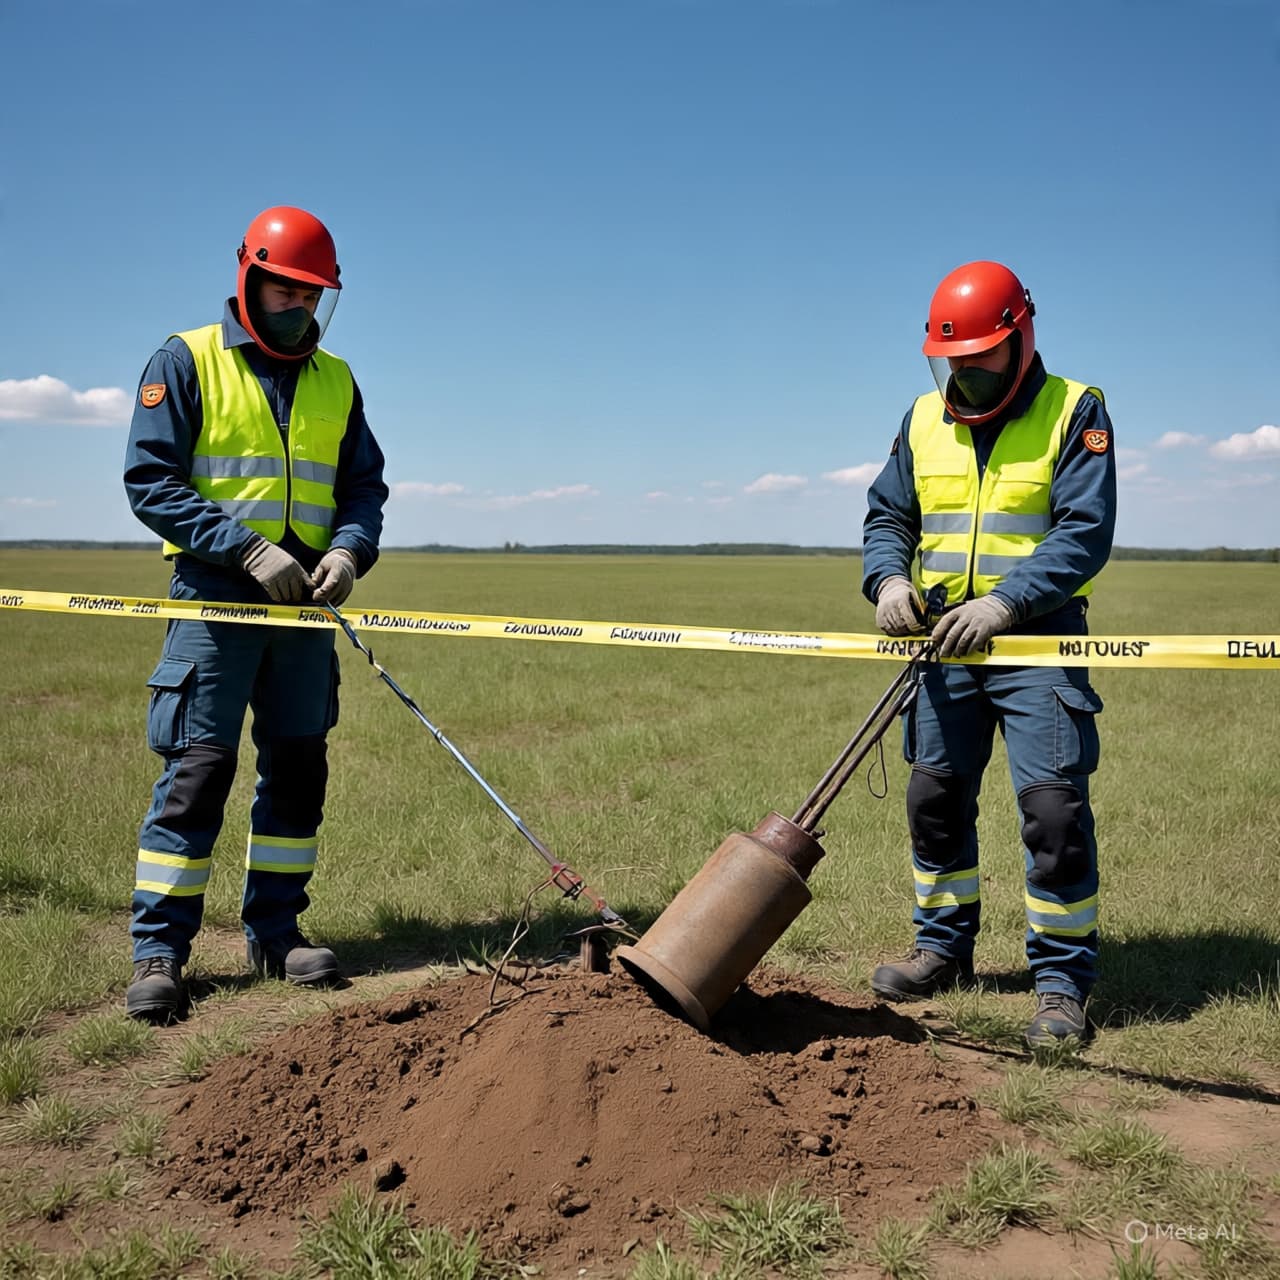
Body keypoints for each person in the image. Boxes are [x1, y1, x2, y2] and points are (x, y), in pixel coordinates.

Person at [122, 206, 389, 1022]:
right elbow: (151, 482)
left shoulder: (336, 378)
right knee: (198, 771)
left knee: (300, 766)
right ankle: (161, 952)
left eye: (314, 296)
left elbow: (363, 489)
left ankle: (276, 933)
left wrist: (345, 552)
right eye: (286, 291)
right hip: (216, 597)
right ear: (249, 279)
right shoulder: (187, 359)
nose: (301, 309)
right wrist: (243, 549)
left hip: (304, 604)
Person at [862, 260, 1116, 1047]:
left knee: (1052, 812)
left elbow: (1084, 531)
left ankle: (1061, 981)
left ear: (1019, 337)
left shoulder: (1078, 409)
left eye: (981, 356)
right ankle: (942, 948)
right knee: (933, 802)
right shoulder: (920, 418)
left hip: (1034, 644)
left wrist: (1006, 603)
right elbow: (887, 518)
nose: (965, 373)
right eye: (952, 360)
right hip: (943, 652)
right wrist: (886, 583)